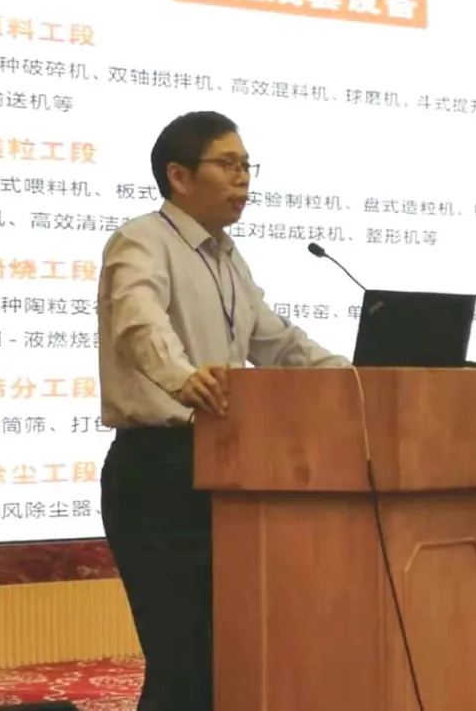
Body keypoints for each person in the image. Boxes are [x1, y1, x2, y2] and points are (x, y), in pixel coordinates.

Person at [97, 110, 348, 711]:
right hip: (158, 473)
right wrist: (182, 378)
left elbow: (279, 344)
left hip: (228, 471)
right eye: (227, 164)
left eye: (247, 166)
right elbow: (138, 324)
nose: (243, 179)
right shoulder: (141, 241)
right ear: (179, 175)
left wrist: (361, 378)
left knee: (227, 657)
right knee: (181, 659)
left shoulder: (228, 258)